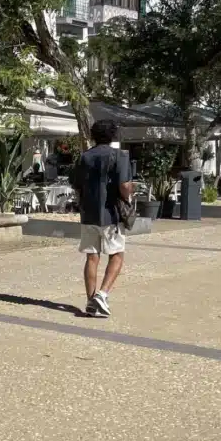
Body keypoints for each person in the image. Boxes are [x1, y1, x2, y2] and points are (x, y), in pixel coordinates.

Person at [72, 120, 133, 319]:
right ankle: (102, 294)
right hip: (111, 213)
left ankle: (91, 301)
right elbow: (124, 186)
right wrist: (129, 196)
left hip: (88, 213)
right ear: (113, 135)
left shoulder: (84, 157)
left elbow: (76, 185)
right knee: (117, 254)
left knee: (92, 257)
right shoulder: (120, 156)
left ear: (93, 135)